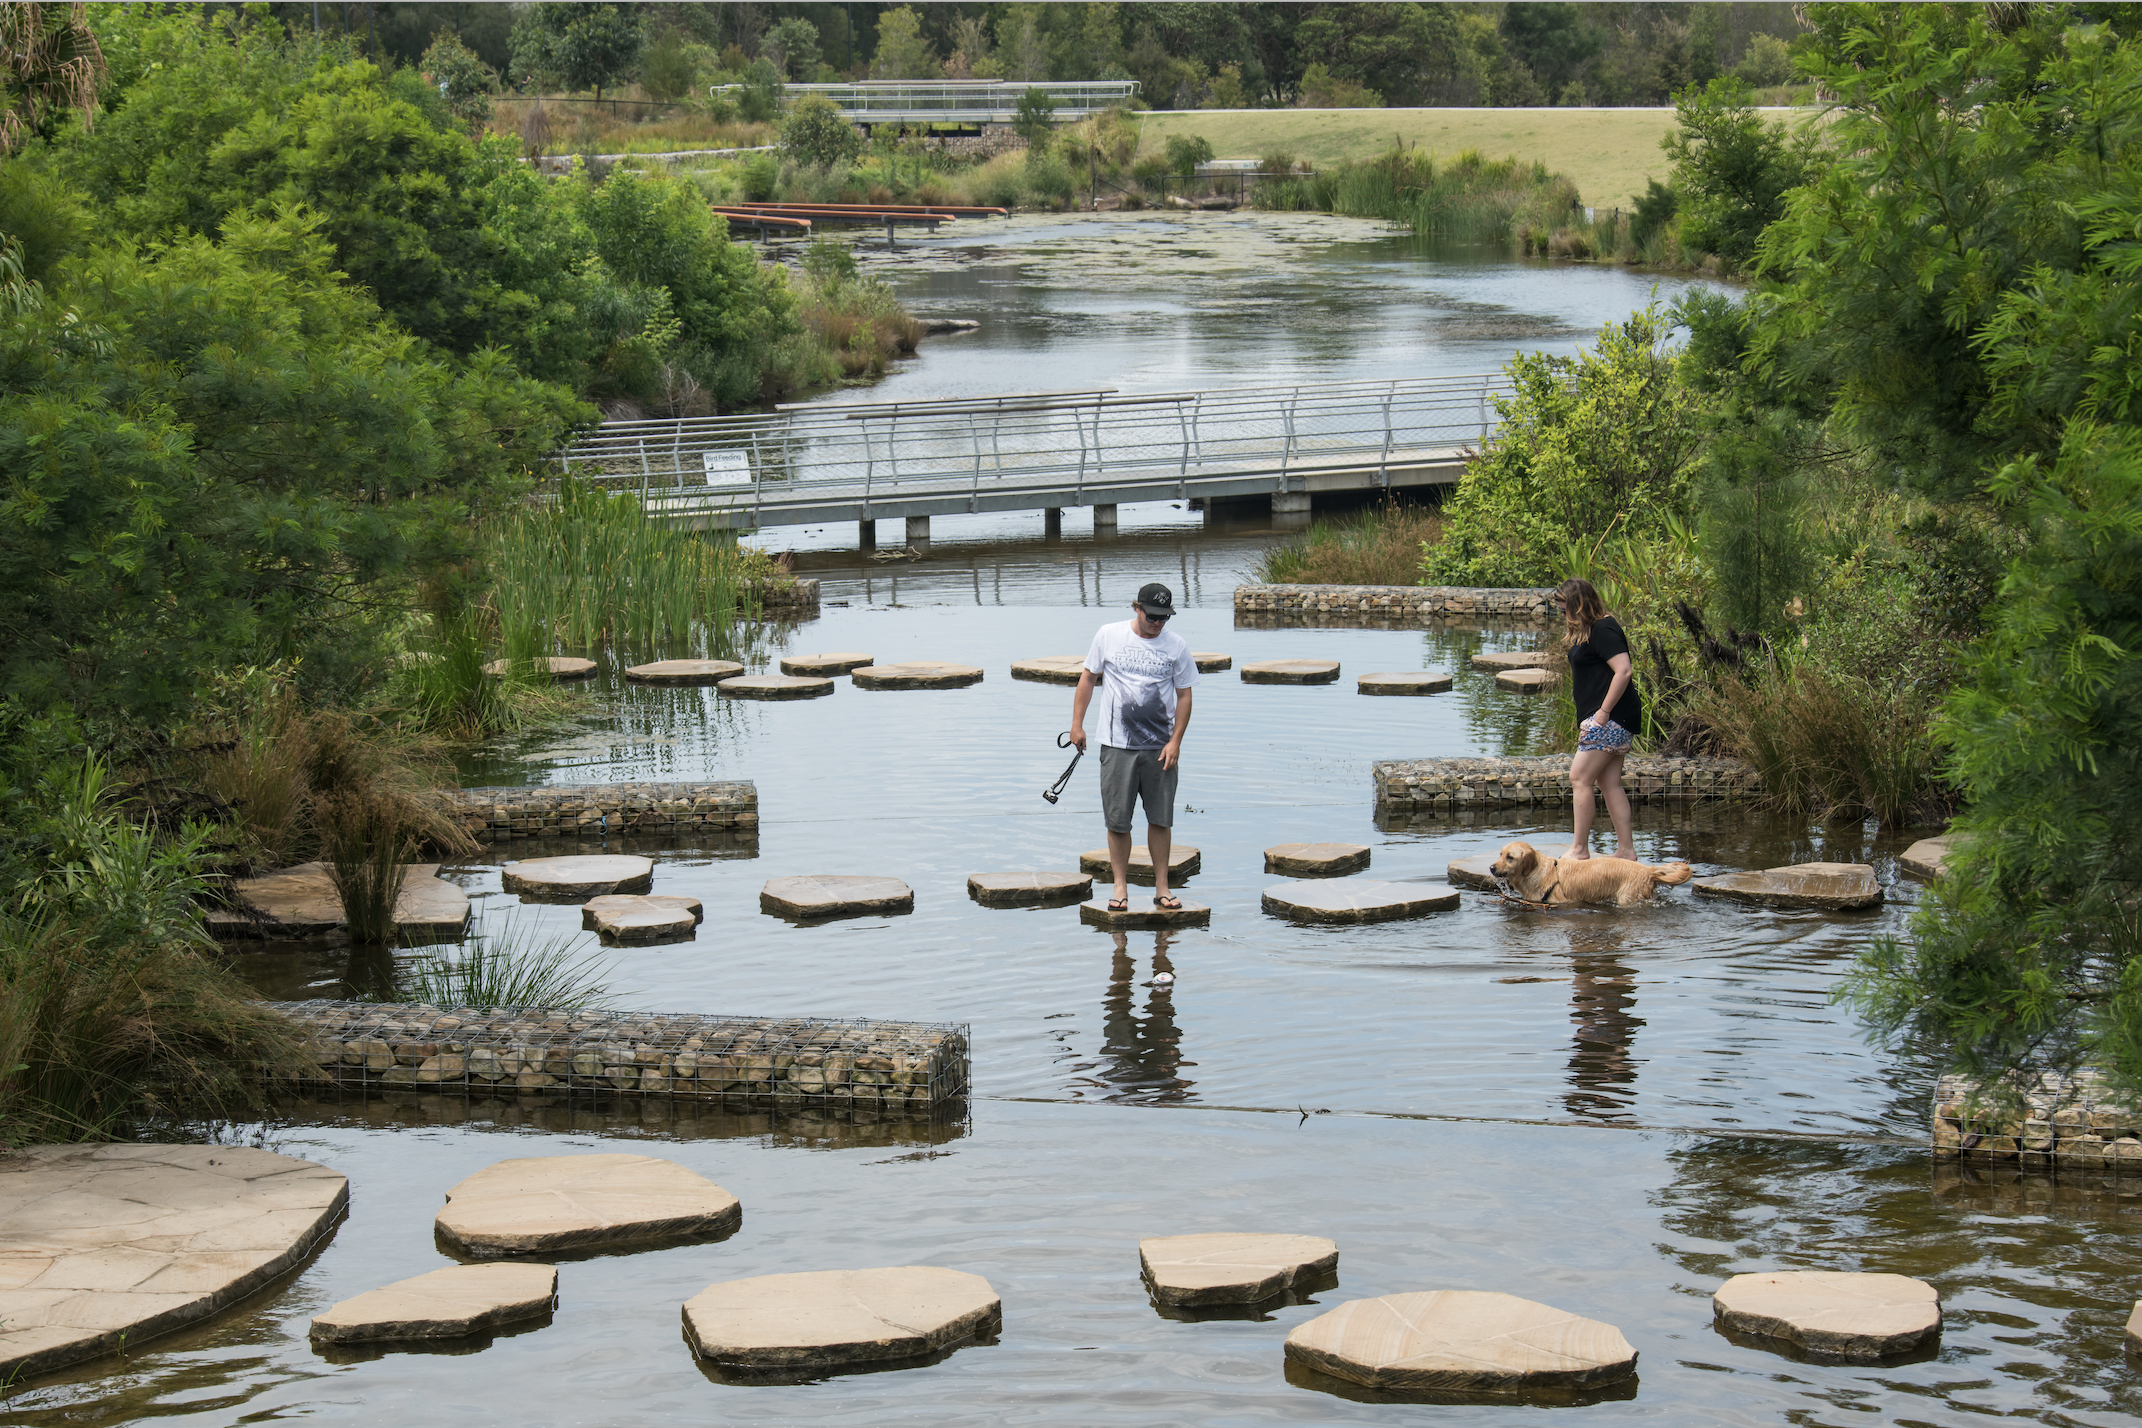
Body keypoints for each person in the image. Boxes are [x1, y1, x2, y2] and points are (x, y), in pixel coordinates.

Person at [1068, 582, 1198, 911]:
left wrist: (1175, 742)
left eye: (1164, 618)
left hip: (1159, 748)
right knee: (1117, 820)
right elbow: (1087, 678)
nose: (1157, 623)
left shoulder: (1177, 646)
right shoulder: (1108, 635)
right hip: (1116, 745)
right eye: (1152, 616)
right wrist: (1077, 725)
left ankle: (1162, 887)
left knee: (1161, 818)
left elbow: (1184, 695)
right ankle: (1120, 886)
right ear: (1136, 608)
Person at [1558, 577, 1641, 861]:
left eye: (1563, 608)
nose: (1562, 614)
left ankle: (1580, 850)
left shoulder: (1604, 628)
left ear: (1577, 605)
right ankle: (1626, 852)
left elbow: (1624, 671)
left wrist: (1602, 714)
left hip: (1611, 718)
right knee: (1609, 782)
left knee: (1579, 777)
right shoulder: (1593, 629)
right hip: (1612, 718)